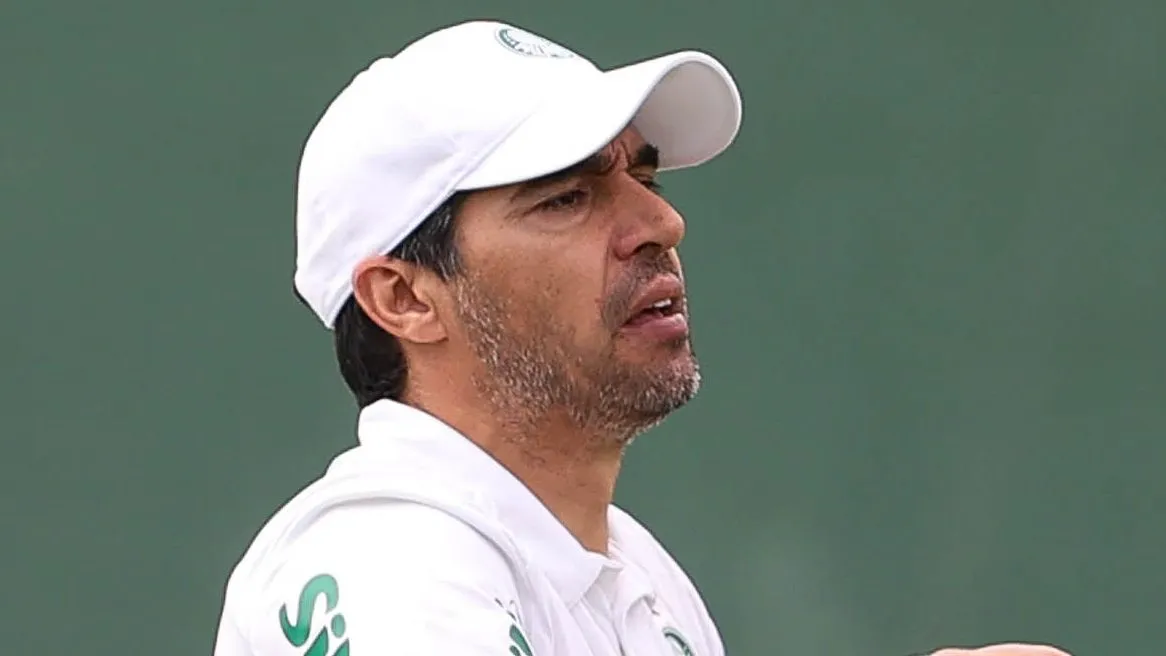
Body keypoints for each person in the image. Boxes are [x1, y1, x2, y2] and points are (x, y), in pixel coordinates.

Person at [210, 19, 1071, 656]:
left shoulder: (636, 577)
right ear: (404, 297)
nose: (661, 220)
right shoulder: (383, 558)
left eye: (644, 175)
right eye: (566, 198)